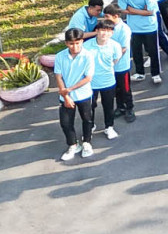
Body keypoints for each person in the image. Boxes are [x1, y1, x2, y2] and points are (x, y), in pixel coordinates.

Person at [53, 28, 97, 161]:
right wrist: (66, 96)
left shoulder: (88, 56)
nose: (75, 46)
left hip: (83, 94)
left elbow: (88, 78)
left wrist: (69, 89)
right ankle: (73, 144)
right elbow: (58, 76)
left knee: (87, 119)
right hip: (65, 96)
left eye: (77, 43)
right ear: (66, 43)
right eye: (71, 44)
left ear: (82, 41)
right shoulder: (60, 56)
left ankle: (87, 142)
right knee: (66, 123)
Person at [88, 21, 125, 141]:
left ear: (112, 33)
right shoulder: (86, 46)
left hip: (108, 81)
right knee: (89, 106)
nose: (105, 33)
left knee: (108, 106)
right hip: (90, 83)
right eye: (102, 30)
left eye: (108, 31)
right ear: (97, 31)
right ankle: (89, 126)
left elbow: (115, 60)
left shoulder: (115, 46)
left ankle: (109, 127)